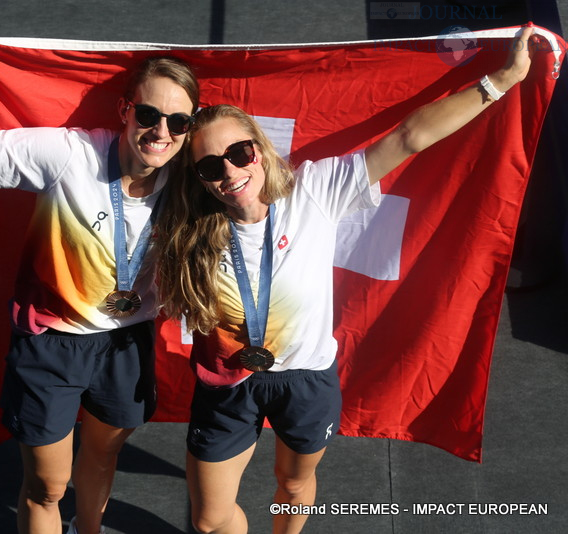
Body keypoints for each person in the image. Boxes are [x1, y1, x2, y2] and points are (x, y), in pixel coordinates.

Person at [156, 26, 536, 534]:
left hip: (306, 380)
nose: (229, 172)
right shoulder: (186, 227)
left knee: (292, 486)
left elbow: (410, 136)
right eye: (209, 165)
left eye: (239, 153)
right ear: (198, 177)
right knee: (207, 521)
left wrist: (504, 79)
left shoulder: (314, 190)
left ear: (260, 149)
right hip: (227, 380)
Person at [0, 43, 199, 534]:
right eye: (149, 114)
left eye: (179, 122)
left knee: (103, 458)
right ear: (126, 110)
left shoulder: (193, 178)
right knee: (47, 485)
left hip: (128, 343)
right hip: (51, 343)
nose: (162, 132)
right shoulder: (69, 153)